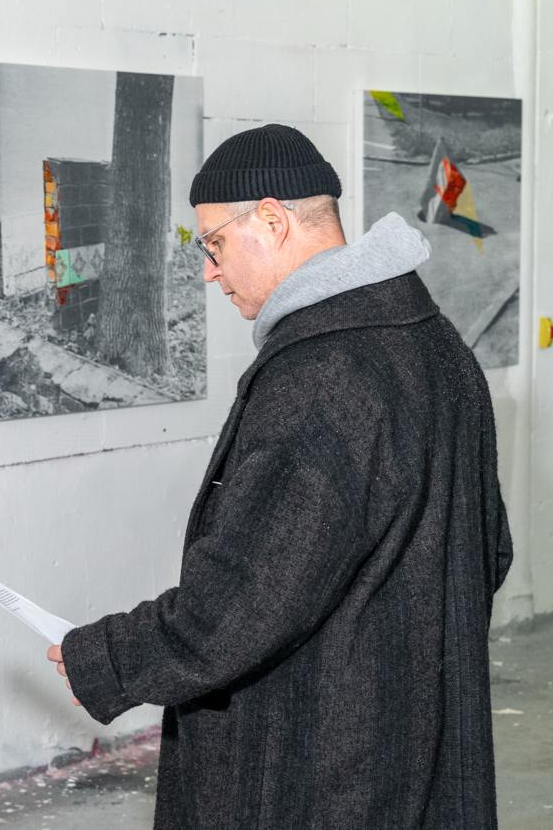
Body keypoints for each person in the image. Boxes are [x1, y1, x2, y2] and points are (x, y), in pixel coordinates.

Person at [47, 124, 513, 829]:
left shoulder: (321, 374)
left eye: (213, 244)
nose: (209, 271)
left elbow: (240, 605)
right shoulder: (439, 345)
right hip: (427, 745)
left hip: (328, 768)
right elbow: (489, 549)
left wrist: (107, 656)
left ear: (271, 220)